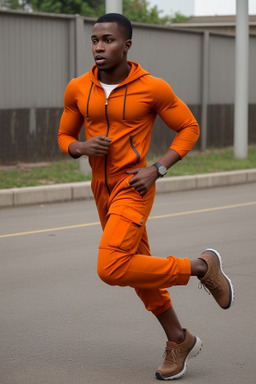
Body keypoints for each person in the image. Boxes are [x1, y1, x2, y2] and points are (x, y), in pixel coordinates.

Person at [58, 13, 234, 380]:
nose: (99, 47)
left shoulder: (152, 88)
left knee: (111, 267)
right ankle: (178, 339)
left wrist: (158, 168)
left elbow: (189, 127)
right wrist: (80, 147)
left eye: (107, 40)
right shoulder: (78, 88)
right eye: (94, 40)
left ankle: (200, 267)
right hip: (100, 189)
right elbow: (64, 136)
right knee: (138, 267)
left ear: (127, 46)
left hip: (133, 187)